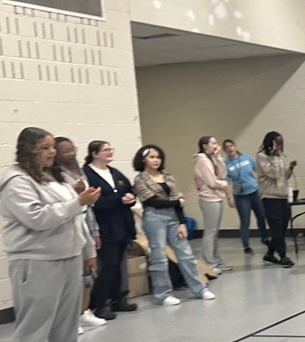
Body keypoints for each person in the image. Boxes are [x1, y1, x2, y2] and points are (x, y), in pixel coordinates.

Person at [1, 127, 102, 342]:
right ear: (28, 149)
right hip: (36, 261)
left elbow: (75, 219)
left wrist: (87, 251)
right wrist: (78, 202)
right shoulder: (16, 180)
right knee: (33, 325)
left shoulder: (53, 178)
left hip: (69, 257)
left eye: (52, 147)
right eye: (45, 148)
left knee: (66, 322)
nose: (51, 152)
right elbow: (37, 218)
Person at [132, 145, 216, 306]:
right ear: (143, 159)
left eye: (158, 157)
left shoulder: (167, 176)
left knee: (185, 254)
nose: (156, 160)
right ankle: (162, 294)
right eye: (151, 157)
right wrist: (176, 202)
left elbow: (179, 201)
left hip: (173, 218)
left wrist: (182, 222)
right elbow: (151, 201)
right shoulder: (140, 179)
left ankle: (199, 289)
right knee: (159, 257)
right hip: (154, 218)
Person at [54, 137, 106, 330]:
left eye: (73, 149)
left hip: (85, 221)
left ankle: (84, 311)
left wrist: (94, 231)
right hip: (68, 224)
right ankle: (69, 318)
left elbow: (88, 206)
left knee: (87, 272)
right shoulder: (55, 175)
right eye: (65, 151)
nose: (71, 154)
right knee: (71, 276)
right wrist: (75, 194)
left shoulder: (80, 171)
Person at [83, 139, 138, 319]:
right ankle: (100, 304)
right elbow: (94, 202)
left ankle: (118, 299)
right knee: (108, 265)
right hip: (105, 226)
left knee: (119, 265)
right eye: (105, 150)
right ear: (94, 153)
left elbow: (129, 191)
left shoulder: (115, 173)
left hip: (122, 225)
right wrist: (118, 200)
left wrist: (131, 198)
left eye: (110, 149)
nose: (109, 152)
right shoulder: (88, 174)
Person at [254, 131, 296, 268]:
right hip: (269, 196)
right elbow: (272, 173)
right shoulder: (261, 157)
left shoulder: (279, 157)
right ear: (270, 142)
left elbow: (282, 176)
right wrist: (274, 155)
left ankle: (270, 253)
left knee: (283, 225)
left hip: (282, 195)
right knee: (276, 227)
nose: (279, 146)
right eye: (277, 142)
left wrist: (289, 168)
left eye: (281, 143)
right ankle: (283, 256)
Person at [193, 136, 233, 272]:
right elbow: (212, 182)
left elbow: (223, 174)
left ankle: (216, 260)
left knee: (215, 232)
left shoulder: (211, 158)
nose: (216, 146)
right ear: (205, 146)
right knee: (210, 232)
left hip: (216, 197)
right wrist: (225, 184)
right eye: (214, 143)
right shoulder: (202, 160)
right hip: (209, 199)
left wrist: (218, 158)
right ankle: (209, 263)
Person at [222, 139, 268, 255]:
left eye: (231, 146)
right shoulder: (225, 164)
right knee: (245, 220)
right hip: (241, 196)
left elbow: (258, 171)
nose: (230, 148)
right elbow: (225, 182)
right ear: (225, 150)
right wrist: (229, 198)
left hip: (254, 192)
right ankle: (246, 245)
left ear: (235, 146)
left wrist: (264, 186)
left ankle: (264, 237)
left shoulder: (246, 158)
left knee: (261, 216)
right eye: (227, 147)